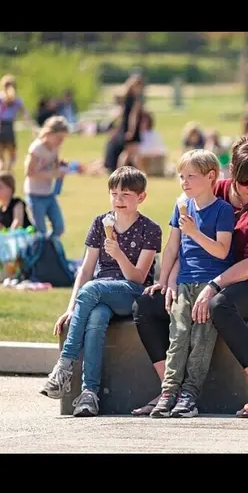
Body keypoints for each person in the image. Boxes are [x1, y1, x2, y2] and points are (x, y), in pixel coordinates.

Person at [131, 138, 248, 418]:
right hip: (197, 280)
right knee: (145, 306)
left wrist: (214, 286)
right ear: (231, 173)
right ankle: (170, 389)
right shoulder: (212, 190)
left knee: (220, 305)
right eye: (246, 181)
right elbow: (182, 243)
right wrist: (169, 282)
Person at [39, 166, 162, 417]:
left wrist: (118, 254)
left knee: (93, 289)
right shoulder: (100, 222)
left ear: (141, 197)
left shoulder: (150, 229)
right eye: (114, 193)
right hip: (97, 295)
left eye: (126, 194)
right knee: (95, 318)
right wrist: (71, 308)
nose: (119, 199)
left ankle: (64, 366)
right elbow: (85, 271)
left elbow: (138, 277)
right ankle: (89, 395)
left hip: (131, 292)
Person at [144, 149, 235, 418]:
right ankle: (169, 391)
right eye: (181, 176)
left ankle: (189, 396)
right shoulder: (182, 207)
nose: (184, 182)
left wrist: (194, 232)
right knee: (178, 336)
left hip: (209, 285)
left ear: (211, 177)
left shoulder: (223, 210)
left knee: (201, 340)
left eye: (190, 177)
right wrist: (162, 282)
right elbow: (172, 247)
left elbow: (222, 251)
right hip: (184, 283)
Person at [23, 116, 69, 238]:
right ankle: (41, 251)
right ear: (48, 134)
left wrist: (61, 166)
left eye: (63, 139)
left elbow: (54, 164)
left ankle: (49, 246)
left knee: (59, 227)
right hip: (35, 195)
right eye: (59, 138)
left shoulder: (55, 147)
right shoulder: (36, 149)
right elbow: (29, 172)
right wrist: (53, 174)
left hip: (49, 193)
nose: (61, 142)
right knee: (40, 231)